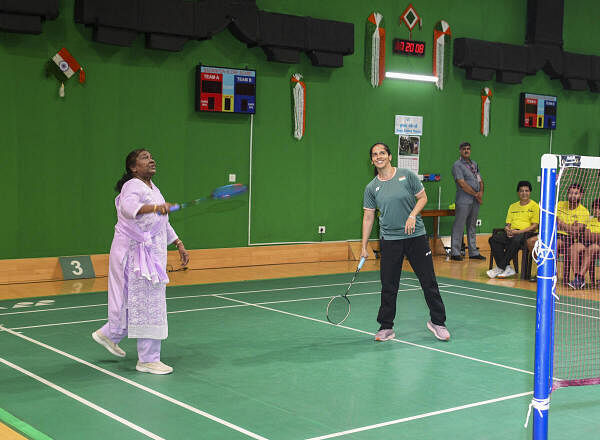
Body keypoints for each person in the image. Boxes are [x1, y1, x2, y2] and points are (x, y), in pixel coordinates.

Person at [92, 149, 189, 374]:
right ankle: (147, 359)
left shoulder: (153, 189)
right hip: (136, 256)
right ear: (134, 167)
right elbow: (128, 210)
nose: (152, 159)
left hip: (150, 255)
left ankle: (109, 334)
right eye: (145, 157)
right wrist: (157, 207)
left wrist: (178, 243)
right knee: (147, 303)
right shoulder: (132, 186)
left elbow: (161, 222)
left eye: (152, 156)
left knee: (138, 300)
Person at [361, 143, 450, 342]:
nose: (378, 157)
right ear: (372, 160)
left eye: (382, 153)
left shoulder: (406, 176)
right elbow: (368, 217)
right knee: (389, 285)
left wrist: (412, 215)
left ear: (390, 156)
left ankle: (438, 322)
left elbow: (423, 198)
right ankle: (386, 327)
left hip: (415, 236)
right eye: (374, 155)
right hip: (390, 240)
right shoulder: (371, 187)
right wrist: (363, 246)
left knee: (428, 281)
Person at [487, 181, 539, 279]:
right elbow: (508, 224)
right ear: (518, 193)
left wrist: (518, 232)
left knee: (516, 240)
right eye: (521, 191)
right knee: (493, 239)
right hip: (512, 232)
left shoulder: (535, 206)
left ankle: (500, 267)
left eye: (526, 191)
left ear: (530, 192)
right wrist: (508, 230)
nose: (524, 193)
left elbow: (534, 226)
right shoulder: (513, 206)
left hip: (526, 234)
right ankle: (507, 267)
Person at [450, 142, 486, 261]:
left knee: (472, 226)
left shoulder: (474, 164)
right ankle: (455, 252)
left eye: (468, 149)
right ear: (460, 151)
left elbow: (480, 179)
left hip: (475, 200)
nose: (466, 151)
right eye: (464, 149)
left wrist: (481, 191)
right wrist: (476, 194)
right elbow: (462, 183)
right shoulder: (457, 165)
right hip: (464, 200)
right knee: (459, 225)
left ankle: (473, 252)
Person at [556, 183, 589, 288]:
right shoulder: (560, 204)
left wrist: (561, 223)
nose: (572, 196)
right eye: (570, 193)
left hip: (568, 238)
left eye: (576, 193)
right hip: (553, 233)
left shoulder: (584, 211)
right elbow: (552, 221)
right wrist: (570, 227)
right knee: (533, 242)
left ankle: (552, 275)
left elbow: (575, 232)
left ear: (581, 195)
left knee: (554, 244)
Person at [580, 198, 600, 288]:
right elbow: (586, 235)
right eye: (594, 208)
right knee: (592, 247)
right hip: (590, 245)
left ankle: (579, 278)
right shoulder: (590, 219)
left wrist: (593, 236)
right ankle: (579, 278)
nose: (596, 210)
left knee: (593, 247)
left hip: (594, 246)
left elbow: (591, 236)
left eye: (598, 208)